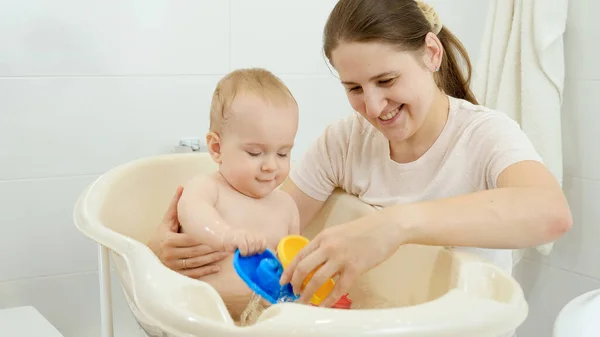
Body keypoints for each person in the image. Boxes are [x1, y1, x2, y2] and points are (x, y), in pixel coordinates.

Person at [148, 0, 572, 312]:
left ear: (431, 53)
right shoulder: (345, 142)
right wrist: (174, 246)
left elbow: (551, 214)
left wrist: (394, 226)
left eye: (386, 79)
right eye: (354, 88)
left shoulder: (483, 134)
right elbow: (261, 218)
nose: (372, 107)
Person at [171, 67, 302, 321]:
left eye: (283, 153)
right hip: (202, 318)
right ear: (217, 148)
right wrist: (226, 235)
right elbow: (193, 213)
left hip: (262, 320)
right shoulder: (209, 189)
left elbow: (290, 264)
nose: (271, 166)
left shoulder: (286, 207)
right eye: (255, 153)